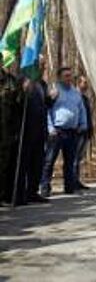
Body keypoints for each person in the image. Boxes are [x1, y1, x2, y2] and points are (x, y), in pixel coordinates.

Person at [40, 67, 87, 197]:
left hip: (72, 132)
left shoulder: (75, 93)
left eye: (70, 76)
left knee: (70, 161)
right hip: (57, 131)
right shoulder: (54, 90)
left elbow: (81, 109)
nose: (69, 78)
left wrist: (83, 124)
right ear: (60, 77)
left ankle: (69, 186)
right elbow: (47, 110)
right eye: (66, 76)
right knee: (49, 160)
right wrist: (50, 128)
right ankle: (45, 187)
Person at [17, 56, 51, 204]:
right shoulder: (22, 80)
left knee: (37, 163)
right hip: (26, 130)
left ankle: (32, 192)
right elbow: (17, 103)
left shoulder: (42, 84)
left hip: (40, 130)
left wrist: (51, 99)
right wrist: (23, 90)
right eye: (40, 65)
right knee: (24, 163)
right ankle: (19, 194)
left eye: (44, 65)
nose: (43, 68)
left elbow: (44, 105)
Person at [0, 51, 23, 205]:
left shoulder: (10, 81)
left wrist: (23, 91)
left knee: (4, 165)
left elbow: (18, 106)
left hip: (5, 133)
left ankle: (2, 196)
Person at [72, 75, 93, 190]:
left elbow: (88, 116)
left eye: (86, 83)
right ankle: (72, 181)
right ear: (78, 83)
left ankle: (77, 180)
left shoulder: (85, 98)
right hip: (77, 132)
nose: (86, 85)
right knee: (74, 158)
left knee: (79, 158)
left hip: (85, 132)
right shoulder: (74, 96)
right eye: (84, 82)